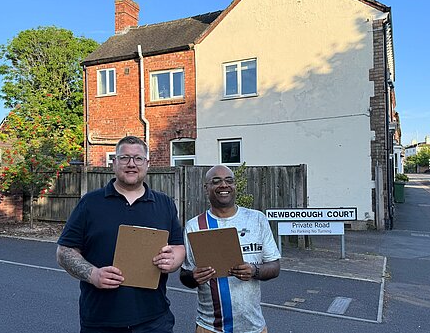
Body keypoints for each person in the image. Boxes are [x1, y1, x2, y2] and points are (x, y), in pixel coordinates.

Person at [56, 136, 185, 333]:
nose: (131, 164)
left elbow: (178, 246)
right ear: (114, 163)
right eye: (124, 158)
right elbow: (64, 251)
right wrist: (93, 274)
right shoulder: (90, 203)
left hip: (154, 320)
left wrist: (173, 260)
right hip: (100, 321)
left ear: (147, 164)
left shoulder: (165, 204)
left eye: (138, 158)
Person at [180, 165, 281, 333]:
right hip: (210, 327)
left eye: (229, 180)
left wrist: (254, 271)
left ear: (235, 186)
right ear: (207, 188)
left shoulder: (257, 219)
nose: (224, 185)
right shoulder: (195, 226)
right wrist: (194, 276)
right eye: (216, 181)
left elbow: (275, 267)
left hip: (253, 327)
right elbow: (185, 275)